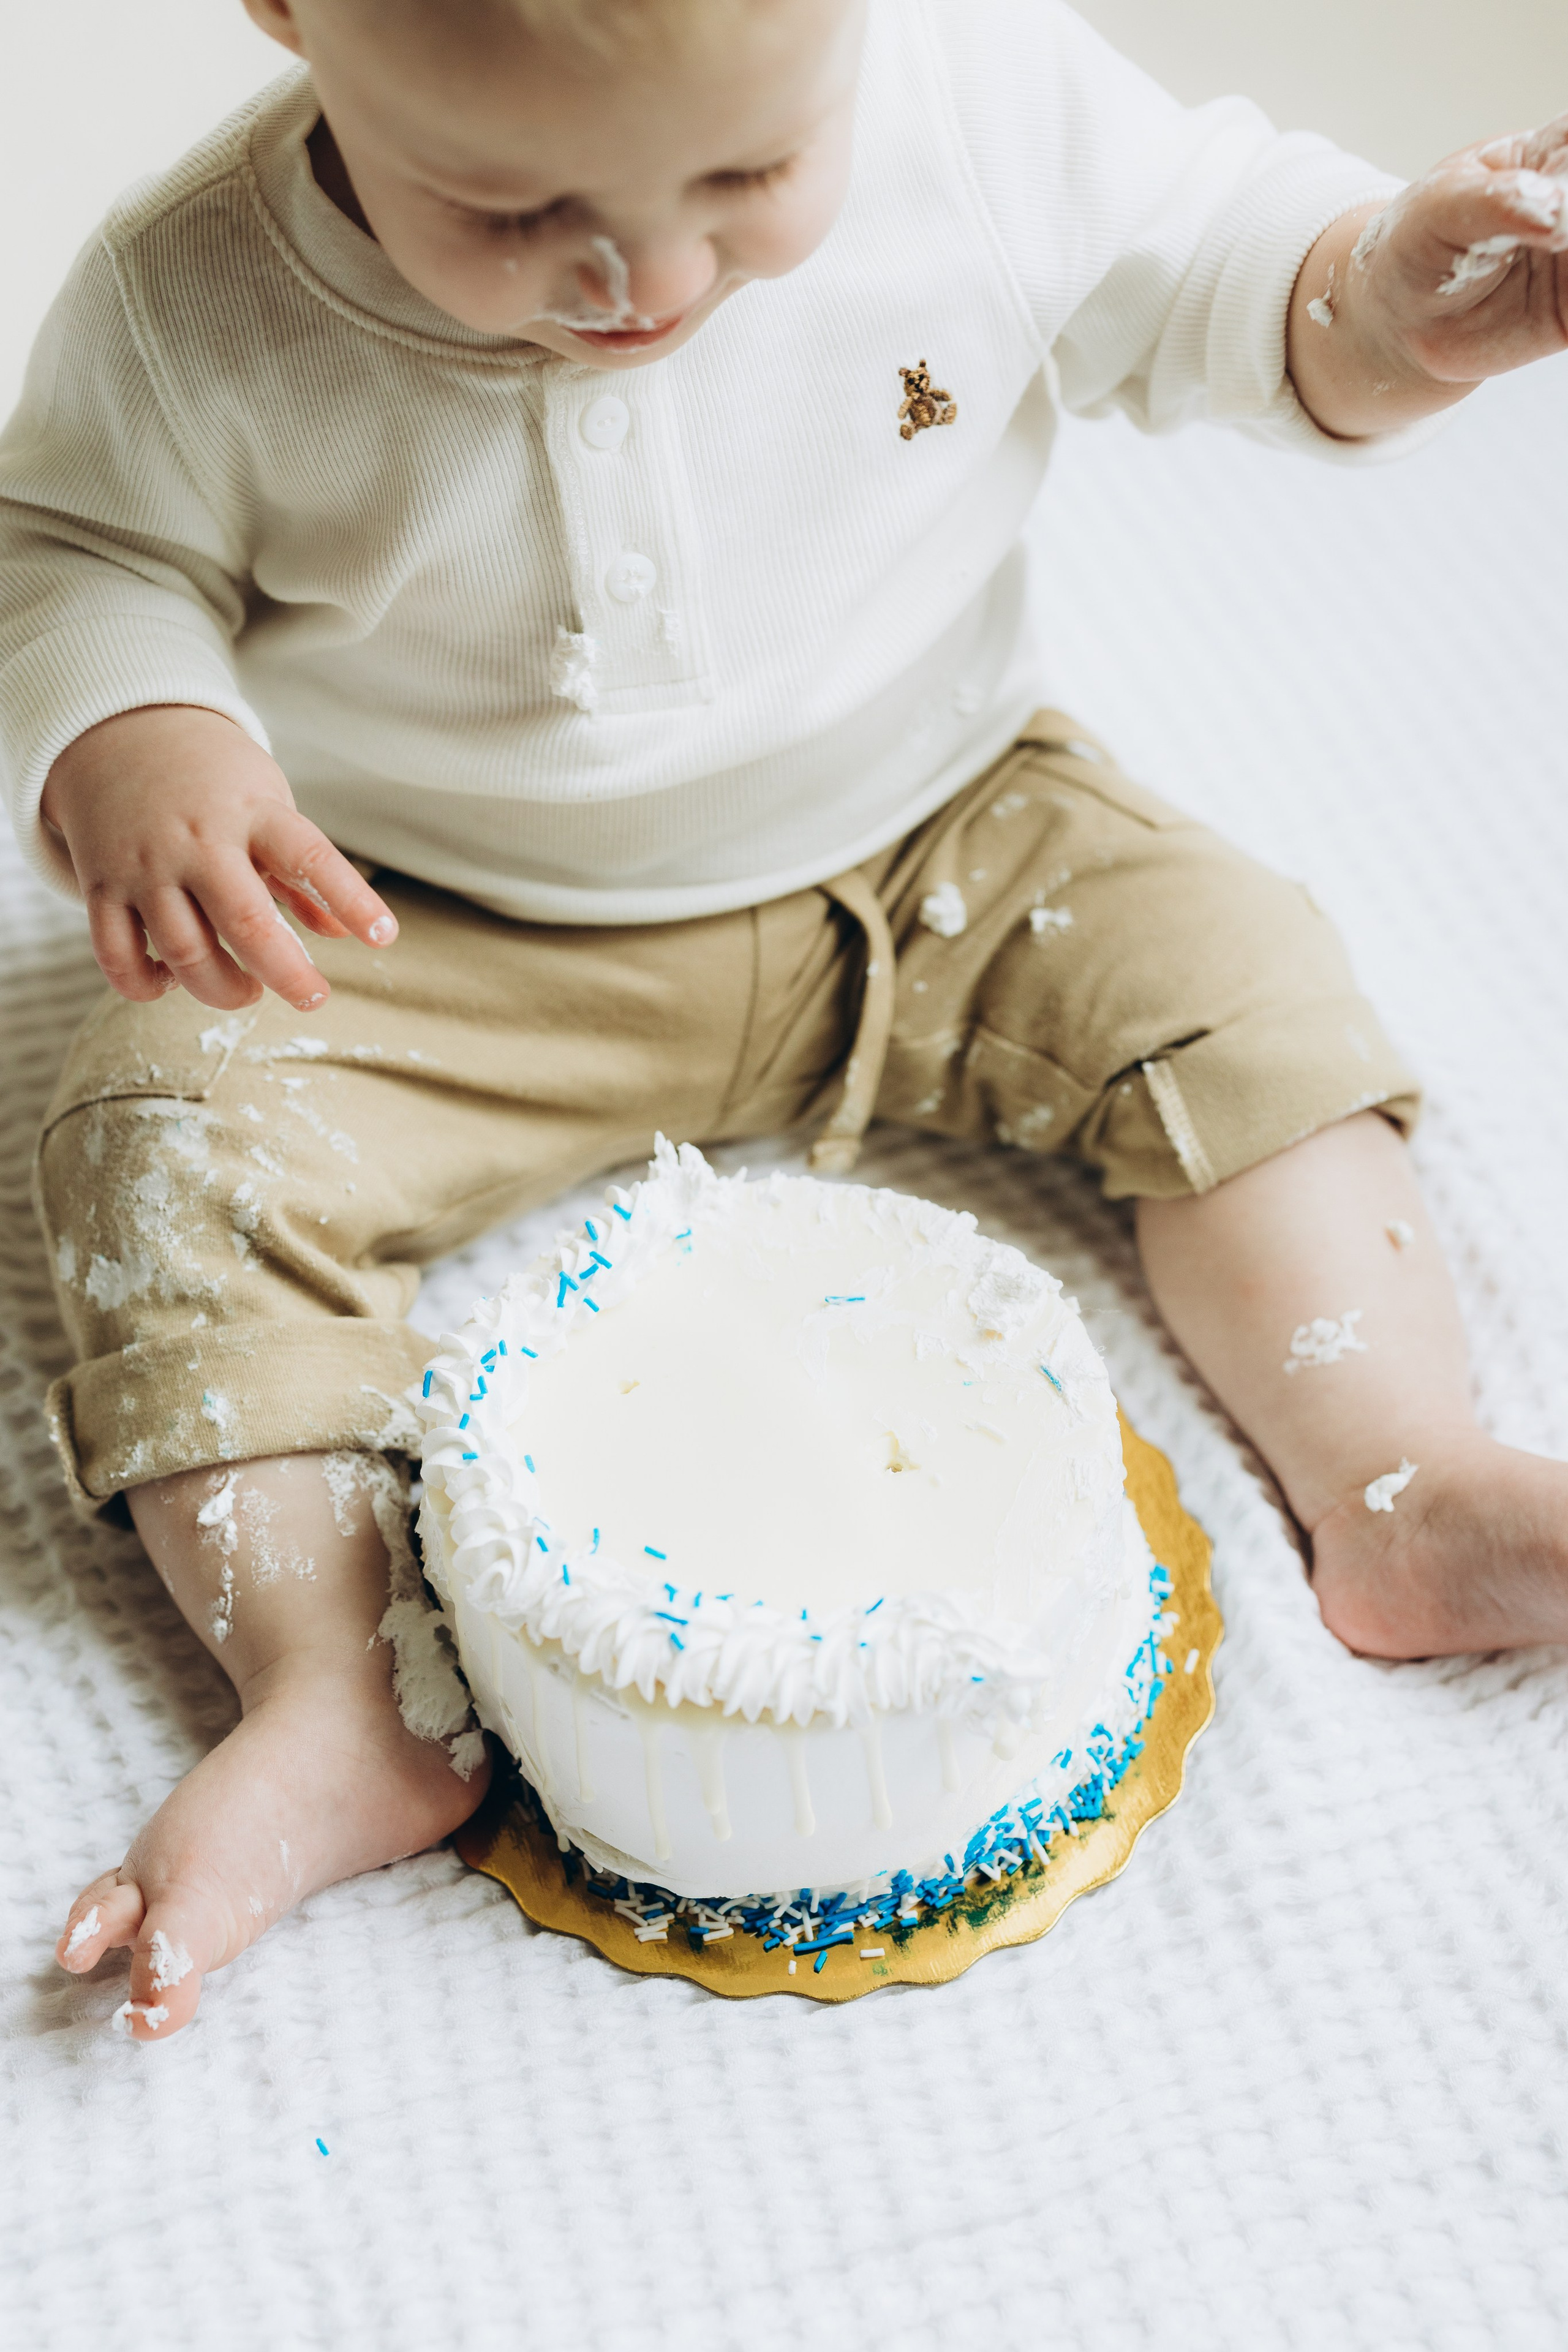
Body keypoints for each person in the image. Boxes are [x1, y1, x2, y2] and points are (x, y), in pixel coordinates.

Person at [5, 0, 1565, 2039]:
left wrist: (1394, 301)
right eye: (510, 201)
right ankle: (342, 1682)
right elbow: (77, 551)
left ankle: (1403, 1484)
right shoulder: (190, 295)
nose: (640, 276)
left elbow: (1229, 273)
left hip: (942, 833)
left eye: (747, 180)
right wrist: (139, 731)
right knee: (154, 1130)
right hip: (434, 925)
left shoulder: (979, 106)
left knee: (1233, 967)